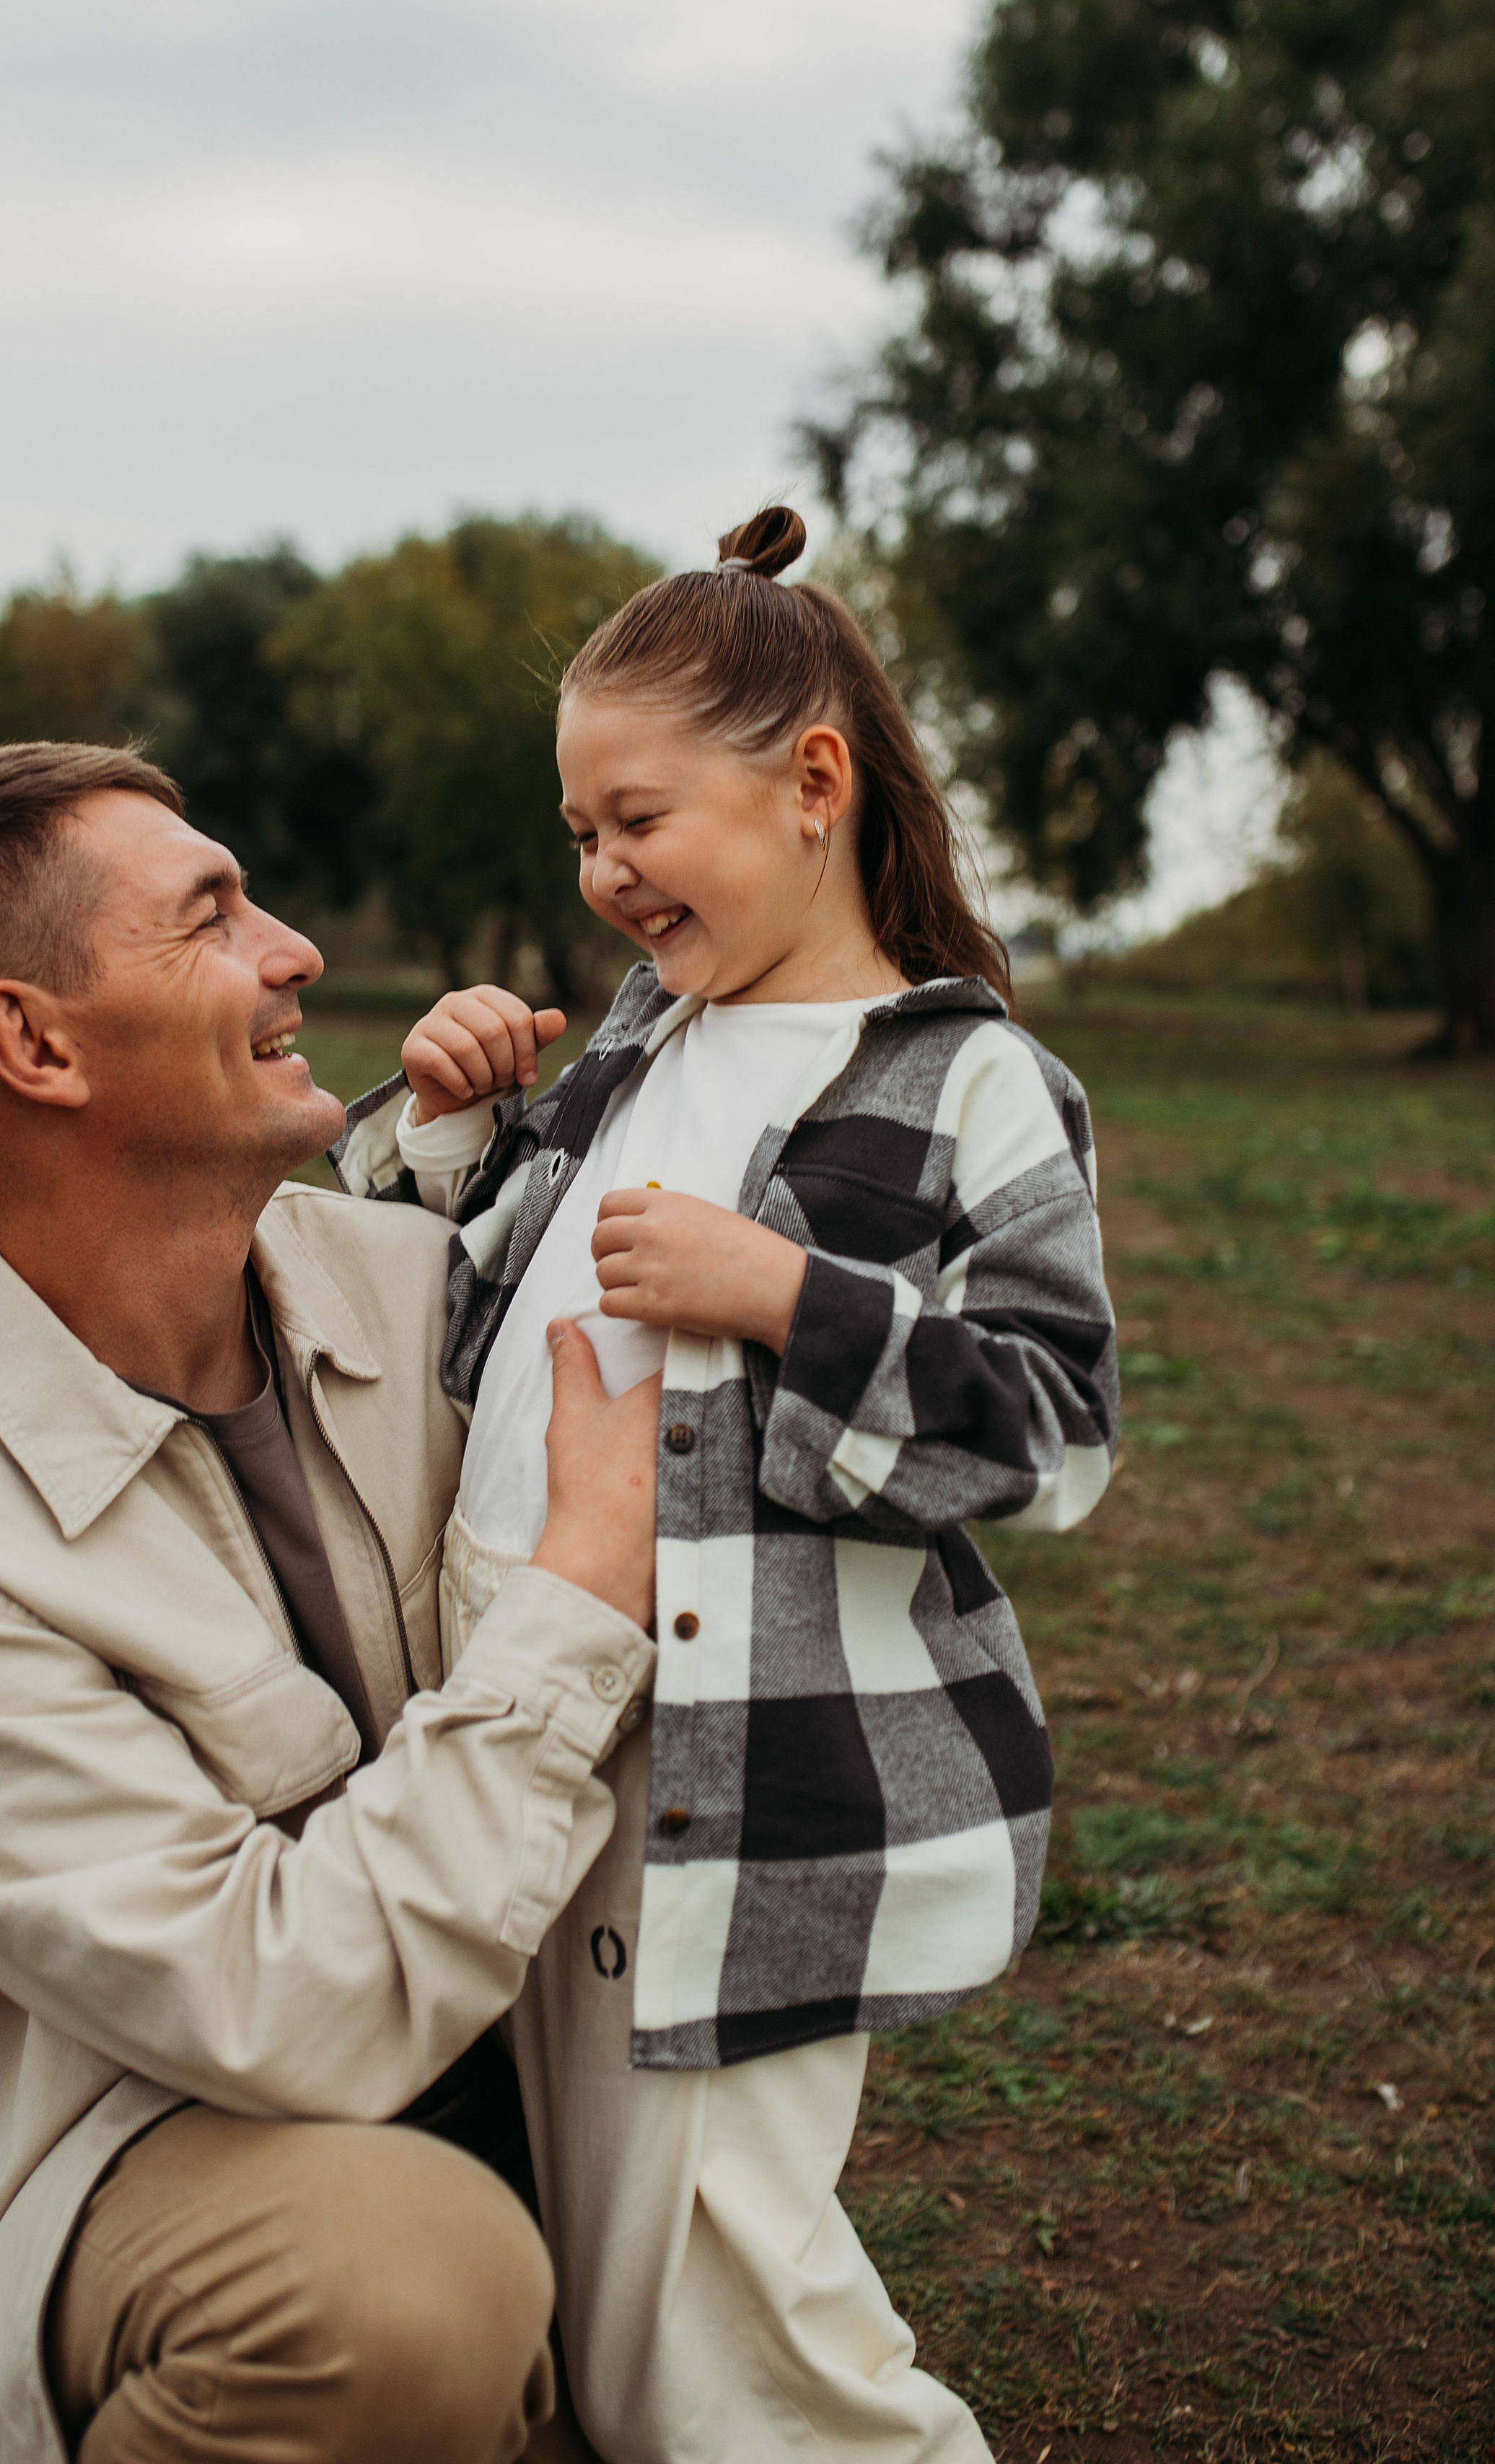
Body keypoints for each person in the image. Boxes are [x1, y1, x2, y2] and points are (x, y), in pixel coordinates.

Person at [0, 741, 662, 2464]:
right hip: (142, 2158)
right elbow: (283, 2013)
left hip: (510, 2084)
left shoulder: (408, 1285)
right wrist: (570, 1602)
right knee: (401, 2294)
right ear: (31, 1044)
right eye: (210, 918)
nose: (296, 948)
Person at [333, 507, 1121, 2464]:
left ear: (813, 787)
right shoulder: (628, 1046)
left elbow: (1054, 1428)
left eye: (640, 820)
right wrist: (436, 1134)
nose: (600, 873)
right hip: (513, 1700)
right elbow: (464, 1301)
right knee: (564, 2239)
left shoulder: (963, 1082)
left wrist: (783, 1295)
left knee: (715, 2304)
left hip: (729, 1759)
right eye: (581, 832)